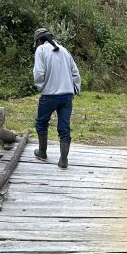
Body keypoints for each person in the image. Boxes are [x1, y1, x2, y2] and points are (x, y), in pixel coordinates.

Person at [32, 27, 81, 170]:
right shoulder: (64, 50)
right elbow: (75, 72)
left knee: (41, 123)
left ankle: (42, 152)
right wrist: (75, 89)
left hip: (49, 95)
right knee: (64, 127)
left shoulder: (40, 50)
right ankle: (63, 160)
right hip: (67, 96)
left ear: (39, 40)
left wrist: (41, 87)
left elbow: (39, 73)